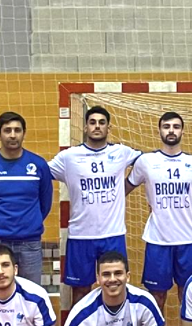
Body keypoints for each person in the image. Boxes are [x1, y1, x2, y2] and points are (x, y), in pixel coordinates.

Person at [49, 106, 142, 306]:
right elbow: (41, 173)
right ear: (85, 127)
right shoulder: (69, 157)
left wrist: (127, 186)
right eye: (92, 122)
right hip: (81, 235)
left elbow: (149, 163)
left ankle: (115, 325)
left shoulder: (122, 152)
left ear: (108, 127)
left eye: (101, 123)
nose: (97, 126)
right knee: (80, 291)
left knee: (116, 287)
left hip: (113, 234)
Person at [127, 112, 192, 312]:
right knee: (156, 297)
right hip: (158, 240)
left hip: (188, 239)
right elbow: (123, 189)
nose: (171, 131)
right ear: (159, 130)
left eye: (176, 127)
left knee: (189, 296)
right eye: (166, 126)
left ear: (182, 131)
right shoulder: (146, 161)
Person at [0, 111, 53, 283]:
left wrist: (28, 225)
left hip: (30, 244)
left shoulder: (38, 165)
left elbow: (45, 203)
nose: (13, 135)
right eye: (7, 130)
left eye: (17, 130)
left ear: (24, 133)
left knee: (31, 294)